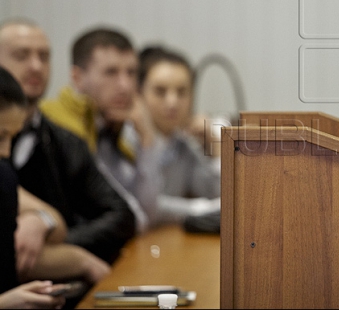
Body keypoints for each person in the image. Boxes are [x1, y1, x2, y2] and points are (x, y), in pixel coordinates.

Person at [0, 19, 135, 266]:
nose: (36, 66)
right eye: (21, 55)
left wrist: (51, 238)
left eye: (44, 56)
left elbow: (121, 215)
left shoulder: (65, 141)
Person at [40, 28, 161, 231]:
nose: (125, 85)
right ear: (77, 78)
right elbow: (135, 216)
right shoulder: (56, 126)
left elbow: (148, 210)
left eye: (131, 73)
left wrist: (147, 138)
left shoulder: (117, 128)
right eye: (111, 72)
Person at [0, 66, 65, 309]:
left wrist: (40, 220)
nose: (6, 152)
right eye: (0, 136)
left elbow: (56, 222)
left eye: (12, 138)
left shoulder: (3, 179)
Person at [137, 46, 220, 225]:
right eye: (160, 91)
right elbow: (144, 205)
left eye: (182, 92)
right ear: (139, 93)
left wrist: (213, 145)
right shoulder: (125, 140)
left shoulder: (182, 143)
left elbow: (218, 194)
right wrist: (197, 209)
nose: (172, 102)